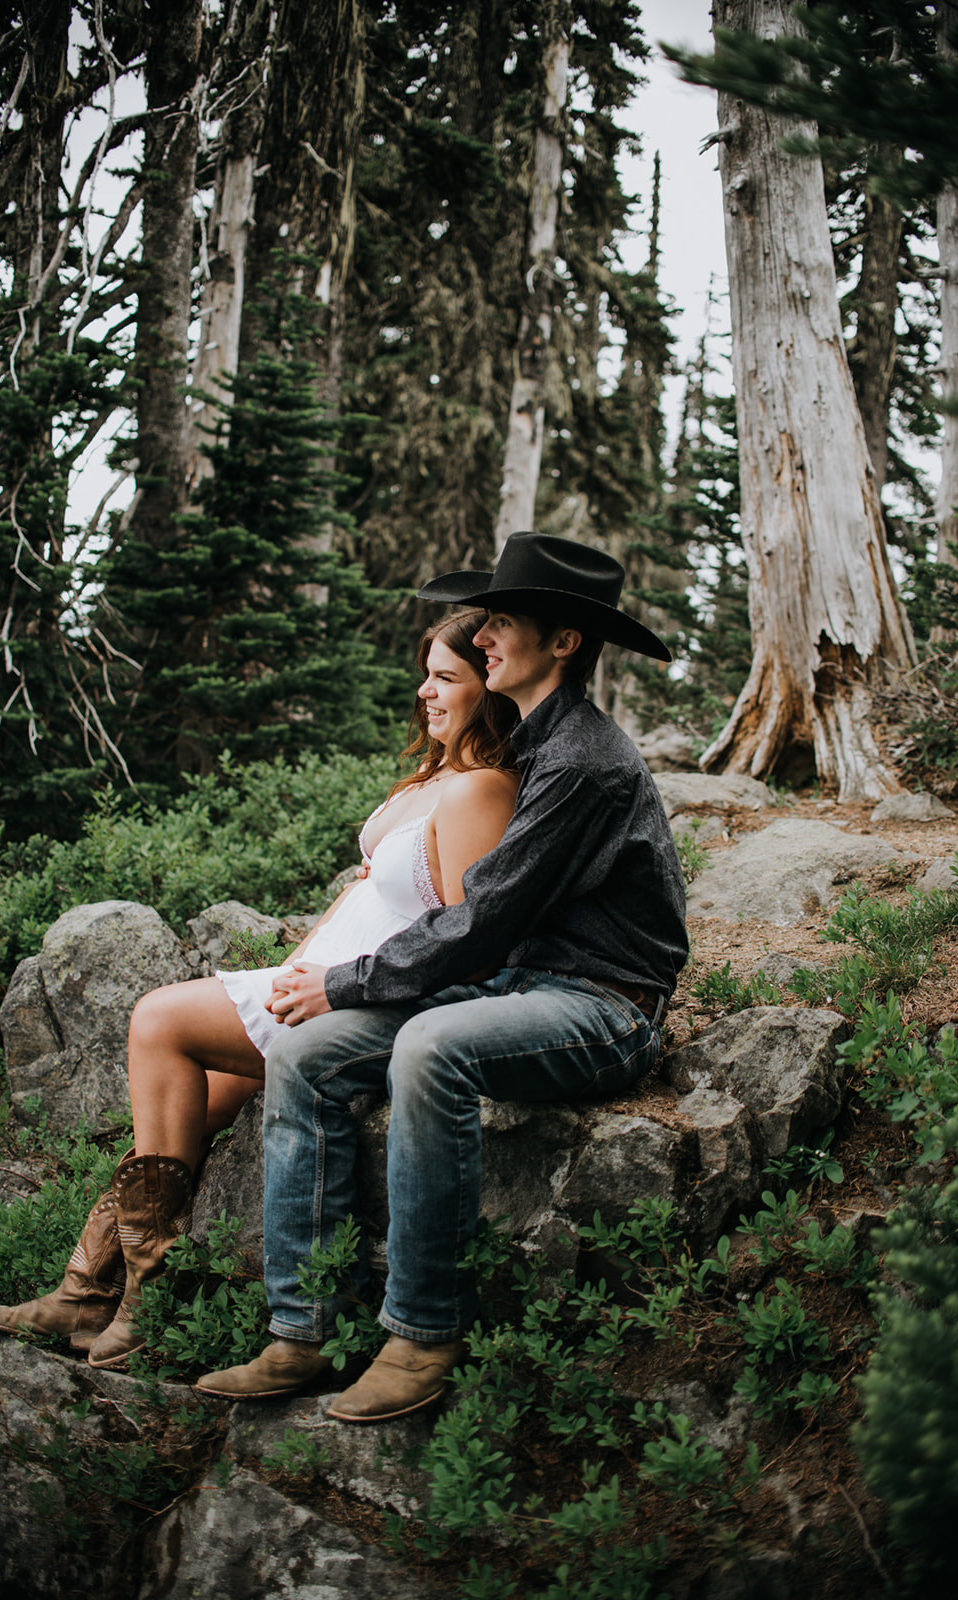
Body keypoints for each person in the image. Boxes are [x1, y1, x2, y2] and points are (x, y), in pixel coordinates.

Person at [196, 532, 689, 1420]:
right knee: (304, 1058)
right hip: (521, 986)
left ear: (564, 643)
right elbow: (481, 918)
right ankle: (298, 1332)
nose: (484, 637)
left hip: (605, 1004)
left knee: (430, 1047)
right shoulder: (537, 745)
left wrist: (347, 980)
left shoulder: (583, 760)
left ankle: (423, 1334)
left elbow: (483, 918)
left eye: (501, 623)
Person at [0, 609, 519, 1369]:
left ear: (489, 688)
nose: (426, 691)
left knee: (157, 1020)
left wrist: (341, 983)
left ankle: (142, 1301)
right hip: (314, 976)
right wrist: (306, 952)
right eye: (424, 673)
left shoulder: (485, 789)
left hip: (353, 996)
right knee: (179, 1121)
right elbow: (367, 895)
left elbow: (464, 933)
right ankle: (82, 1289)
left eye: (446, 678)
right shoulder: (434, 775)